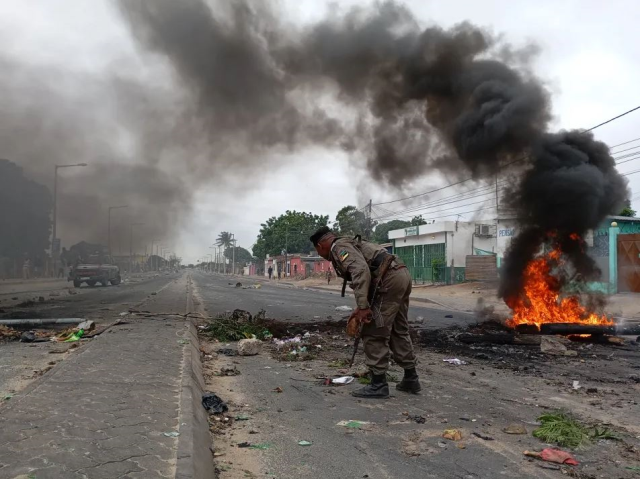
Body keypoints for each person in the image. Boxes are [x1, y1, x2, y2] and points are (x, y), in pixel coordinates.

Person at [310, 226, 420, 399]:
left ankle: (378, 384)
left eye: (317, 250)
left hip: (388, 279)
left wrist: (363, 308)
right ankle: (411, 378)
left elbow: (360, 271)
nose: (320, 254)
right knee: (399, 329)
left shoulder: (338, 247)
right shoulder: (348, 242)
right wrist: (362, 305)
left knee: (373, 330)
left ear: (320, 245)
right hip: (400, 274)